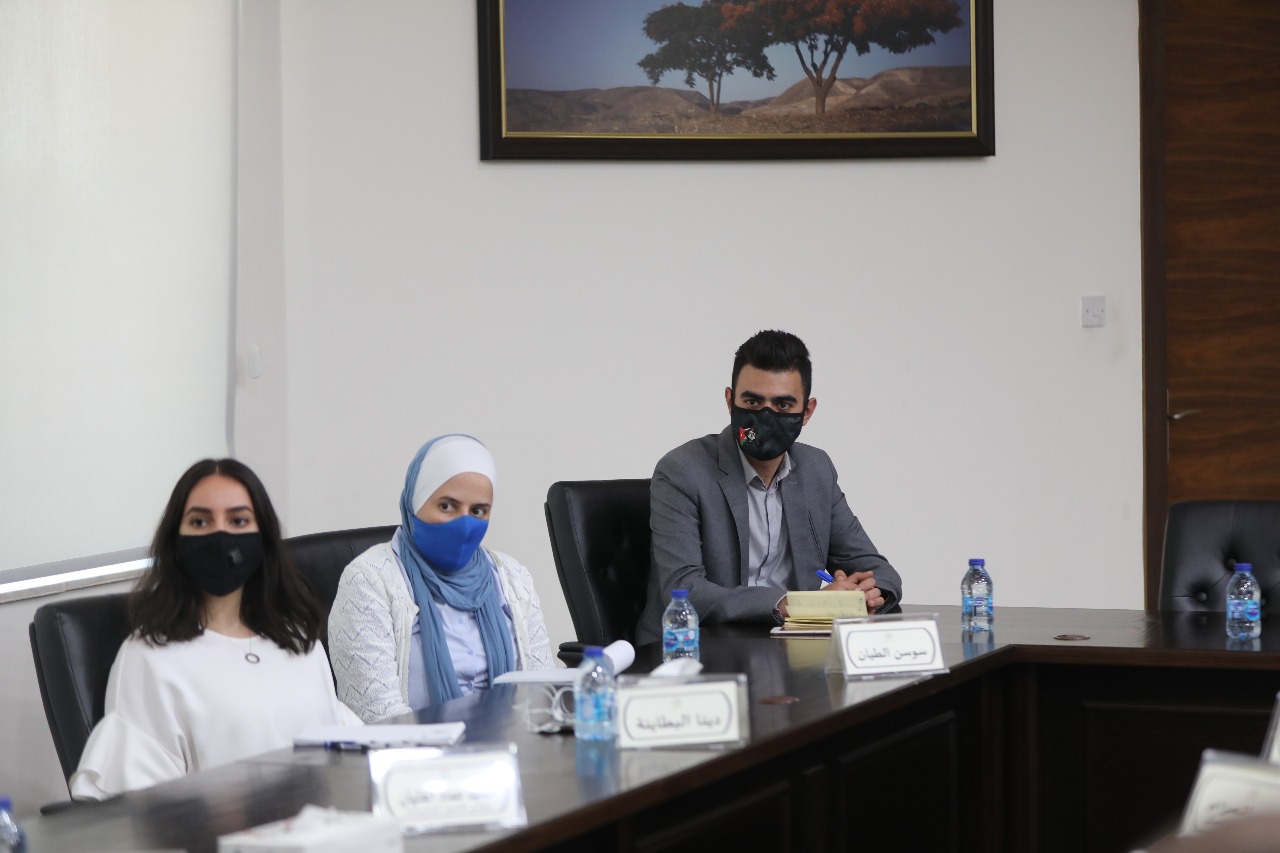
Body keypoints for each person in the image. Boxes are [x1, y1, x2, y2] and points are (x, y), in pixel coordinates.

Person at [70, 459, 361, 800]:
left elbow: (347, 751)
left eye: (238, 520)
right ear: (176, 540)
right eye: (200, 521)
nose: (220, 536)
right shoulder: (149, 657)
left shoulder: (298, 639)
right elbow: (141, 807)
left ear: (263, 538)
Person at [637, 330, 901, 643]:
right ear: (729, 401)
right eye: (752, 401)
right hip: (695, 649)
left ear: (807, 412)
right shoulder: (682, 471)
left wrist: (866, 593)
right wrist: (794, 604)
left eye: (783, 405)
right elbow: (683, 590)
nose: (766, 415)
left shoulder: (816, 470)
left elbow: (876, 569)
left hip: (790, 649)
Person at [328, 434, 552, 722]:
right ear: (415, 502)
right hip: (415, 749)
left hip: (509, 744)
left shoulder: (513, 578)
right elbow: (379, 718)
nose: (464, 524)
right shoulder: (369, 581)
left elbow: (542, 696)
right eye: (447, 506)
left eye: (478, 511)